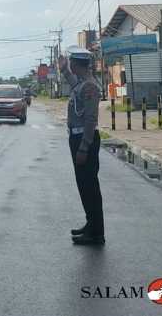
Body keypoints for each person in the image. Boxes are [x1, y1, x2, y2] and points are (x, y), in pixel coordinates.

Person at [59, 47, 105, 246]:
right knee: (83, 186)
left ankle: (96, 233)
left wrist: (84, 147)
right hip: (77, 138)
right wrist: (63, 70)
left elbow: (90, 119)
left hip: (84, 140)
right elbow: (72, 83)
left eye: (71, 63)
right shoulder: (82, 84)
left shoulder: (90, 87)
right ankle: (91, 225)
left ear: (78, 64)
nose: (71, 66)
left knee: (90, 187)